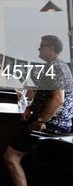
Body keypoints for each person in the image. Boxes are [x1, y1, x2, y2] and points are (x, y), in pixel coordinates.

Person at [4, 35, 73, 186]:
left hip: (51, 125)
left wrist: (40, 121)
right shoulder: (61, 66)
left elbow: (58, 99)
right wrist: (29, 107)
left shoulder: (54, 68)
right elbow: (44, 95)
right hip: (62, 124)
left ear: (51, 48)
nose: (38, 49)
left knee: (11, 156)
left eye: (42, 46)